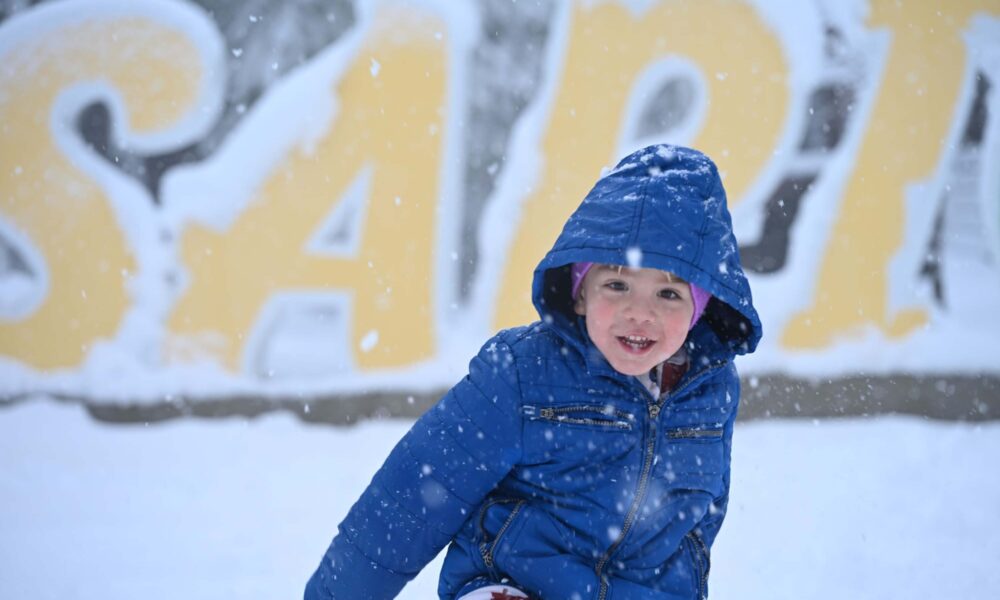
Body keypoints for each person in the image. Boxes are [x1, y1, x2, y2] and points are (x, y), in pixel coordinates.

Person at [304, 144, 762, 599]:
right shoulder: (524, 371)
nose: (639, 313)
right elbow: (412, 499)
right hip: (517, 587)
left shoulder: (710, 389)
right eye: (617, 284)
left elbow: (699, 522)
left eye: (669, 294)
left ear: (699, 310)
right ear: (580, 294)